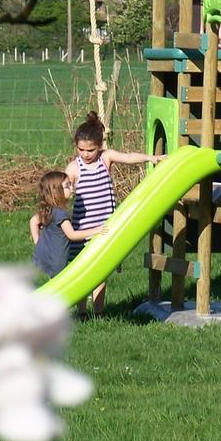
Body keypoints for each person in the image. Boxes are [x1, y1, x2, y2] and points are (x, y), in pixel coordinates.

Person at [65, 112, 164, 316]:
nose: (85, 154)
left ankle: (99, 312)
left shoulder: (105, 158)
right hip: (82, 232)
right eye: (81, 149)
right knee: (81, 271)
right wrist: (64, 195)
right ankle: (81, 311)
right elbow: (63, 187)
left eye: (90, 150)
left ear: (100, 146)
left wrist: (152, 158)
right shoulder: (75, 168)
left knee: (100, 274)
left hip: (105, 229)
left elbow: (128, 158)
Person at [29, 170, 104, 283]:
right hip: (56, 261)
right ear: (56, 192)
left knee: (46, 286)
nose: (72, 188)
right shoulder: (61, 213)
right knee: (60, 287)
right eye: (67, 186)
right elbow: (72, 235)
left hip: (41, 257)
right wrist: (96, 230)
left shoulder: (48, 209)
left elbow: (33, 221)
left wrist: (38, 242)